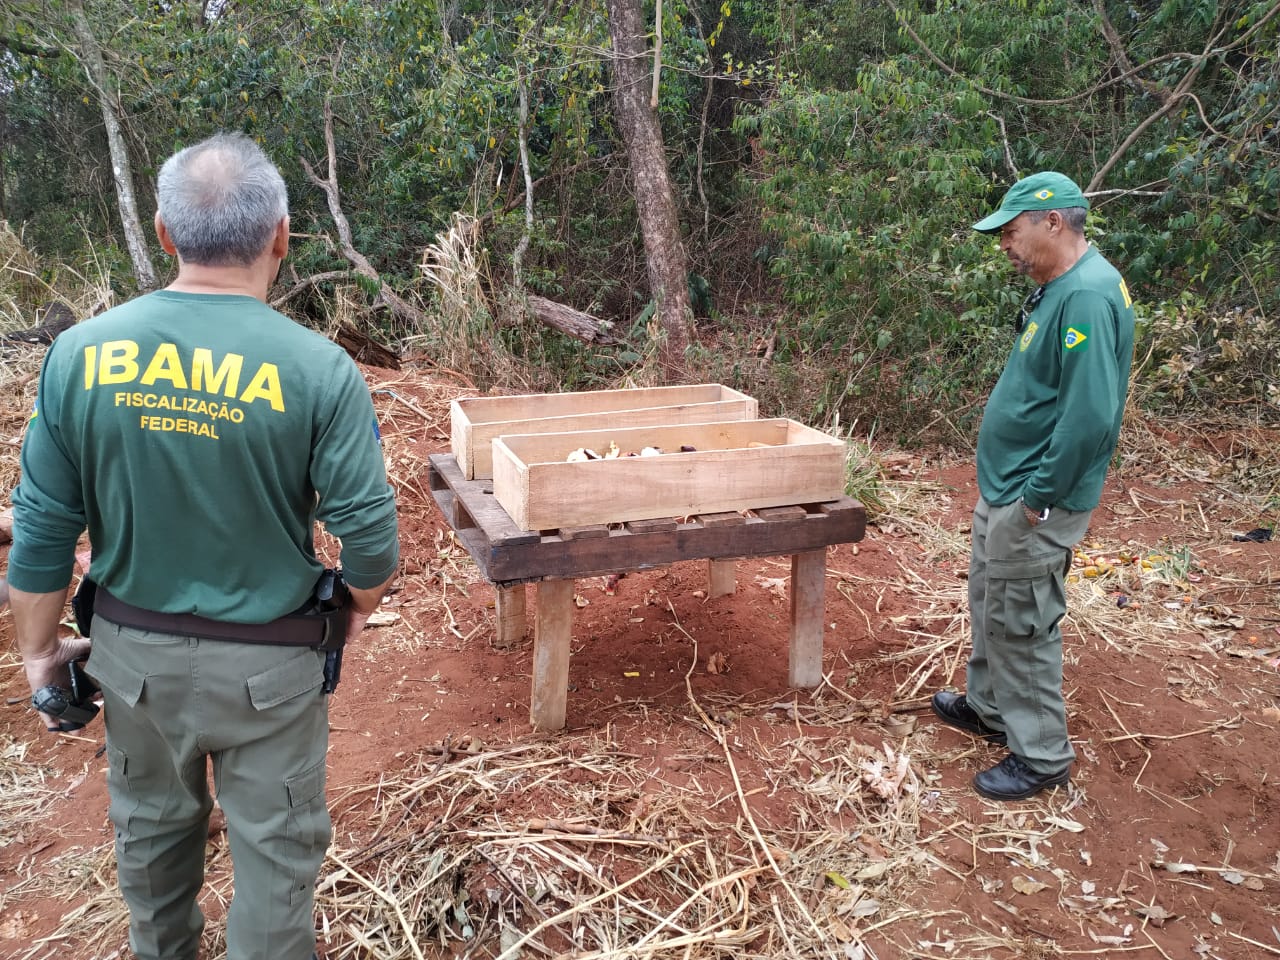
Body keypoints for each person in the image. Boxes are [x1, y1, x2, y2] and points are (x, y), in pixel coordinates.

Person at [8, 132, 399, 960]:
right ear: (282, 236)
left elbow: (43, 527)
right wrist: (356, 608)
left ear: (163, 232)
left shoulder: (79, 355)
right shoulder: (318, 370)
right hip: (271, 670)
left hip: (132, 662)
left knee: (150, 845)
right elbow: (370, 535)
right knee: (275, 862)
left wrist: (40, 657)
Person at [931, 171, 1135, 801]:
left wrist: (1037, 496)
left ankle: (1041, 754)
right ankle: (990, 708)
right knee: (993, 599)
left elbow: (1089, 418)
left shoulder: (1089, 298)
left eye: (1012, 232)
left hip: (1034, 496)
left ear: (1053, 221)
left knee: (1022, 619)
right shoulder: (1061, 286)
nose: (1004, 246)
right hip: (1010, 485)